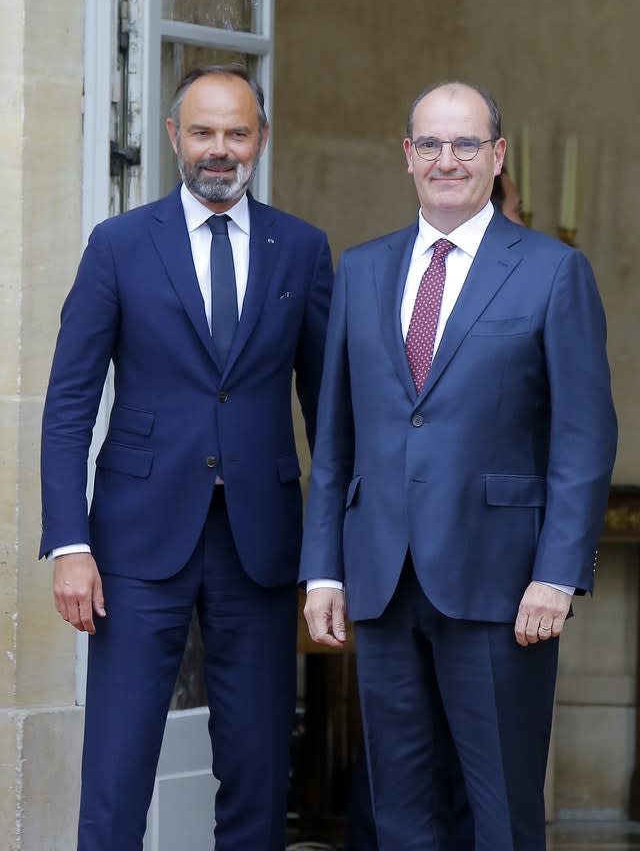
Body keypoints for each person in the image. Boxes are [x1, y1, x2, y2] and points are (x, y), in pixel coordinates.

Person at [300, 81, 617, 850]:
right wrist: (323, 573)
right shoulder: (364, 269)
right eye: (432, 145)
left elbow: (584, 436)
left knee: (500, 812)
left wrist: (557, 573)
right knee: (402, 814)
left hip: (500, 586)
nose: (448, 160)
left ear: (497, 157)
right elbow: (336, 436)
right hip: (381, 581)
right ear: (408, 157)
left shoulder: (552, 271)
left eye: (466, 144)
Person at [39, 63, 333, 851]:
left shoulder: (302, 249)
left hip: (260, 544)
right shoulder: (120, 245)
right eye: (203, 132)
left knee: (258, 764)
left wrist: (331, 554)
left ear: (261, 140)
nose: (219, 149)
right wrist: (70, 544)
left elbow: (327, 412)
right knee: (118, 764)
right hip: (134, 543)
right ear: (174, 137)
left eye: (237, 133)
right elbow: (69, 403)